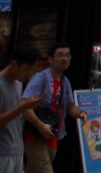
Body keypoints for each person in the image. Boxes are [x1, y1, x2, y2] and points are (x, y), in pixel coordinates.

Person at [21, 44, 84, 173]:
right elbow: (25, 106)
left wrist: (81, 114)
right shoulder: (40, 78)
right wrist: (40, 125)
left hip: (53, 139)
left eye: (68, 55)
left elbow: (70, 107)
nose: (65, 59)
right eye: (60, 55)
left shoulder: (65, 82)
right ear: (50, 59)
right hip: (35, 137)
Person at [0, 47, 44, 173]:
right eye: (27, 69)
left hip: (16, 153)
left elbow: (16, 121)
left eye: (32, 70)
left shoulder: (18, 84)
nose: (29, 75)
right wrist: (23, 107)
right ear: (14, 65)